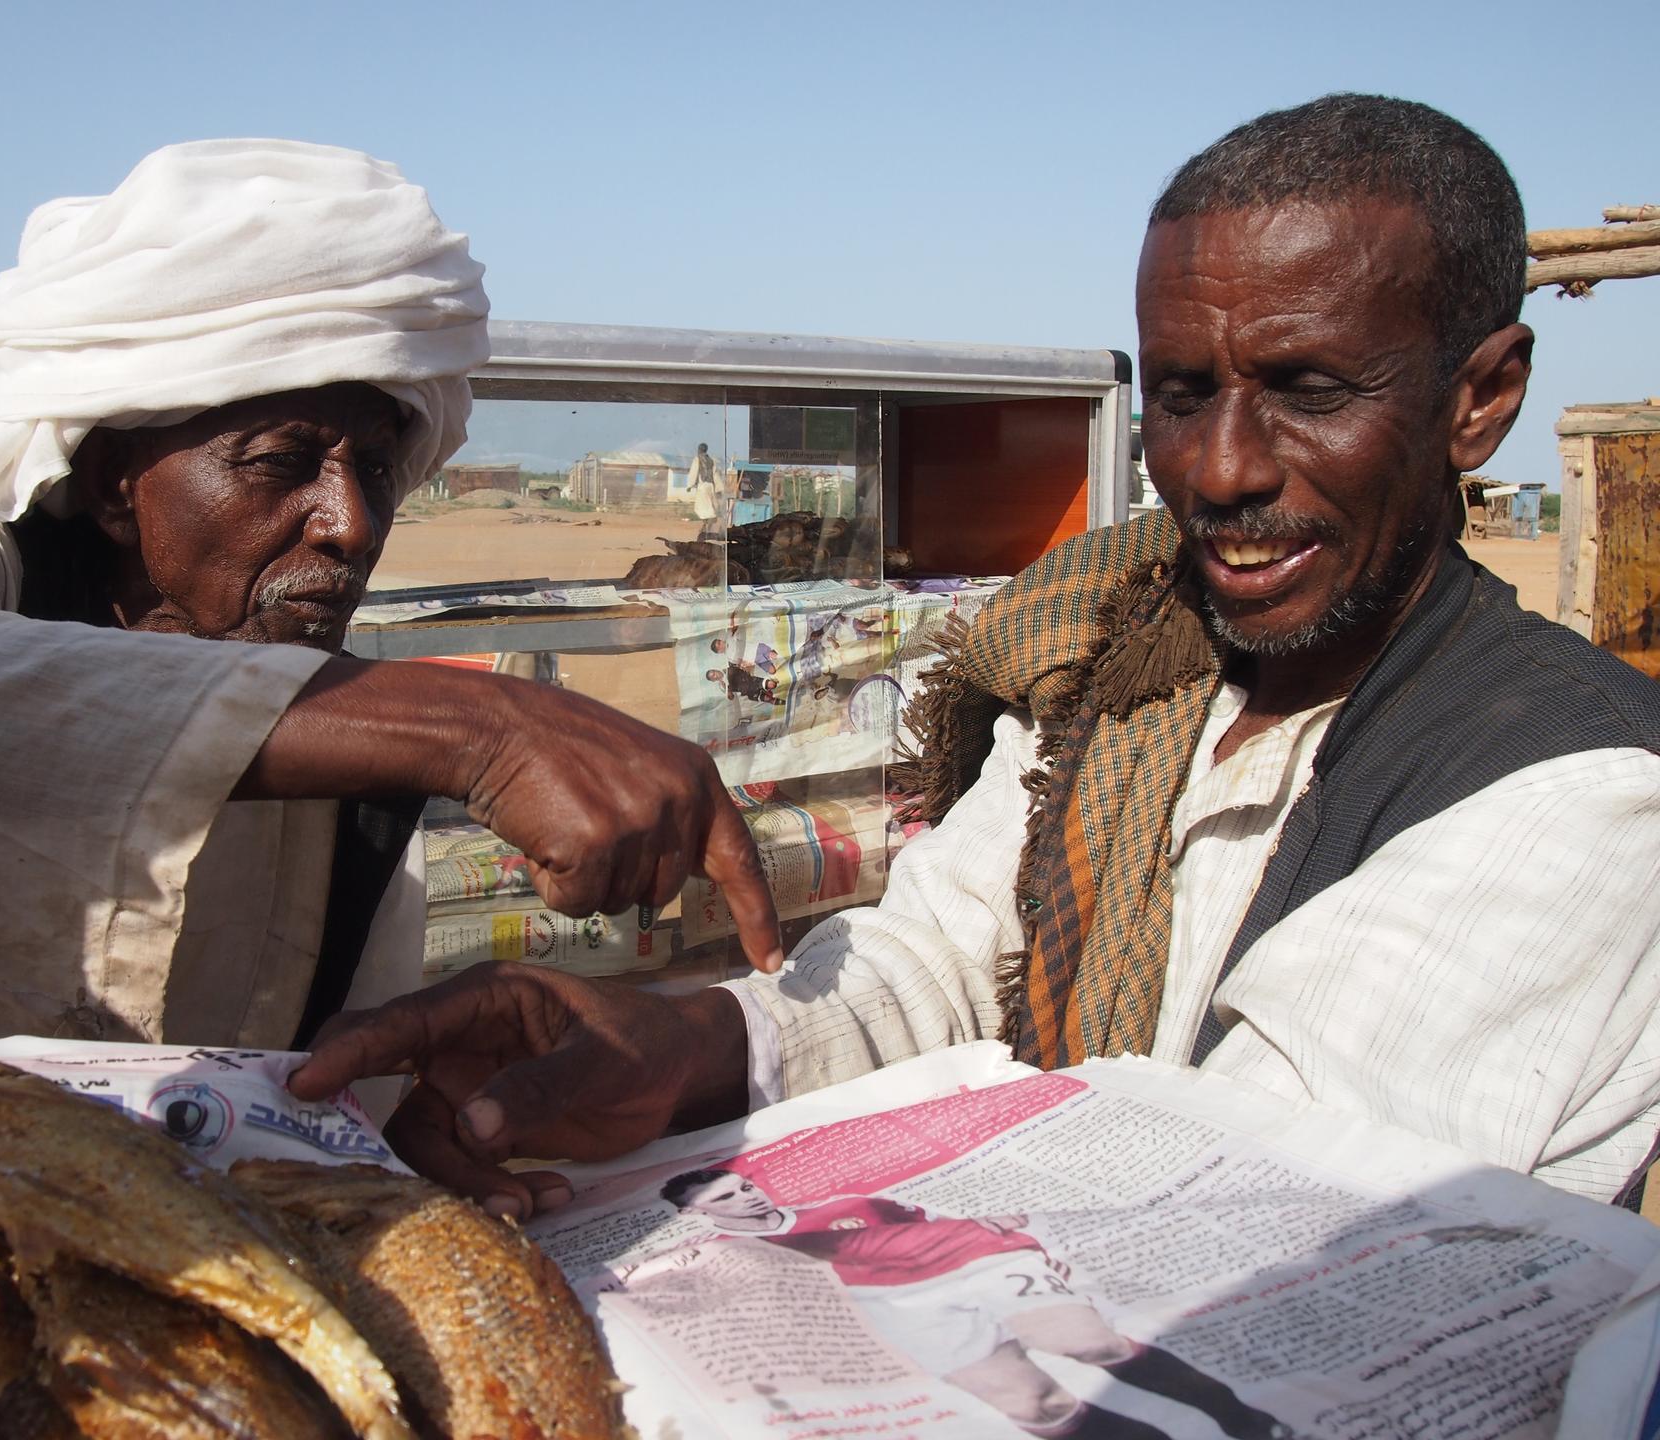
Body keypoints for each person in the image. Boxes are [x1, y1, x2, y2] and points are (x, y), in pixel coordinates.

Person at [291, 94, 1660, 1216]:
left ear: (1479, 401)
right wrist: (690, 1046)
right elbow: (934, 972)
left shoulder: (1571, 789)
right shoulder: (1121, 673)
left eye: (1309, 393)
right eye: (1182, 397)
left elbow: (1234, 1209)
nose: (1223, 470)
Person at [0, 141, 783, 1071]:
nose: (351, 524)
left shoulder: (332, 709)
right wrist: (482, 730)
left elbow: (324, 1064)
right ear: (114, 478)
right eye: (283, 463)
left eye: (376, 471)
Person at [662, 1169, 1291, 1439]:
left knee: (1087, 1342)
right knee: (1035, 1401)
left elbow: (935, 1215)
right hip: (896, 1308)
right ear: (699, 1216)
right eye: (726, 1198)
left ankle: (1246, 1420)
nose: (747, 1199)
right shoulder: (726, 1257)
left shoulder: (844, 1204)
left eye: (745, 1185)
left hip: (968, 1259)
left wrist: (1005, 1226)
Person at [690, 442, 723, 540]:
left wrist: (690, 484)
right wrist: (719, 488)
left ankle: (704, 529)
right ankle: (706, 528)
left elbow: (694, 472)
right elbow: (715, 475)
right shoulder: (711, 460)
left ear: (699, 449)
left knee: (702, 508)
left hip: (703, 486)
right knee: (710, 507)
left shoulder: (697, 459)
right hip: (711, 486)